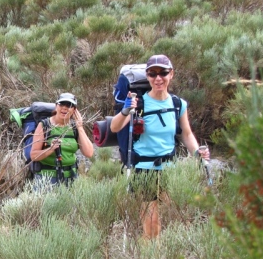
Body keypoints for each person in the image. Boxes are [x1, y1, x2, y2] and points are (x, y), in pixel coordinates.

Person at [109, 54, 210, 238]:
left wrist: (197, 152)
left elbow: (186, 134)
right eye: (152, 73)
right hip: (144, 170)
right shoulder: (138, 104)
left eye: (163, 73)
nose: (158, 78)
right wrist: (125, 110)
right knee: (152, 224)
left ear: (171, 74)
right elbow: (115, 127)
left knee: (177, 217)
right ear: (147, 76)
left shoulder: (178, 104)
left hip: (170, 169)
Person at [29, 92, 94, 185]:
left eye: (69, 105)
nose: (65, 107)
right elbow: (34, 155)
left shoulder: (75, 128)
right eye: (62, 104)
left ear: (74, 110)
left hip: (71, 178)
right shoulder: (45, 125)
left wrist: (80, 126)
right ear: (56, 106)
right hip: (47, 179)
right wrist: (50, 149)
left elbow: (89, 153)